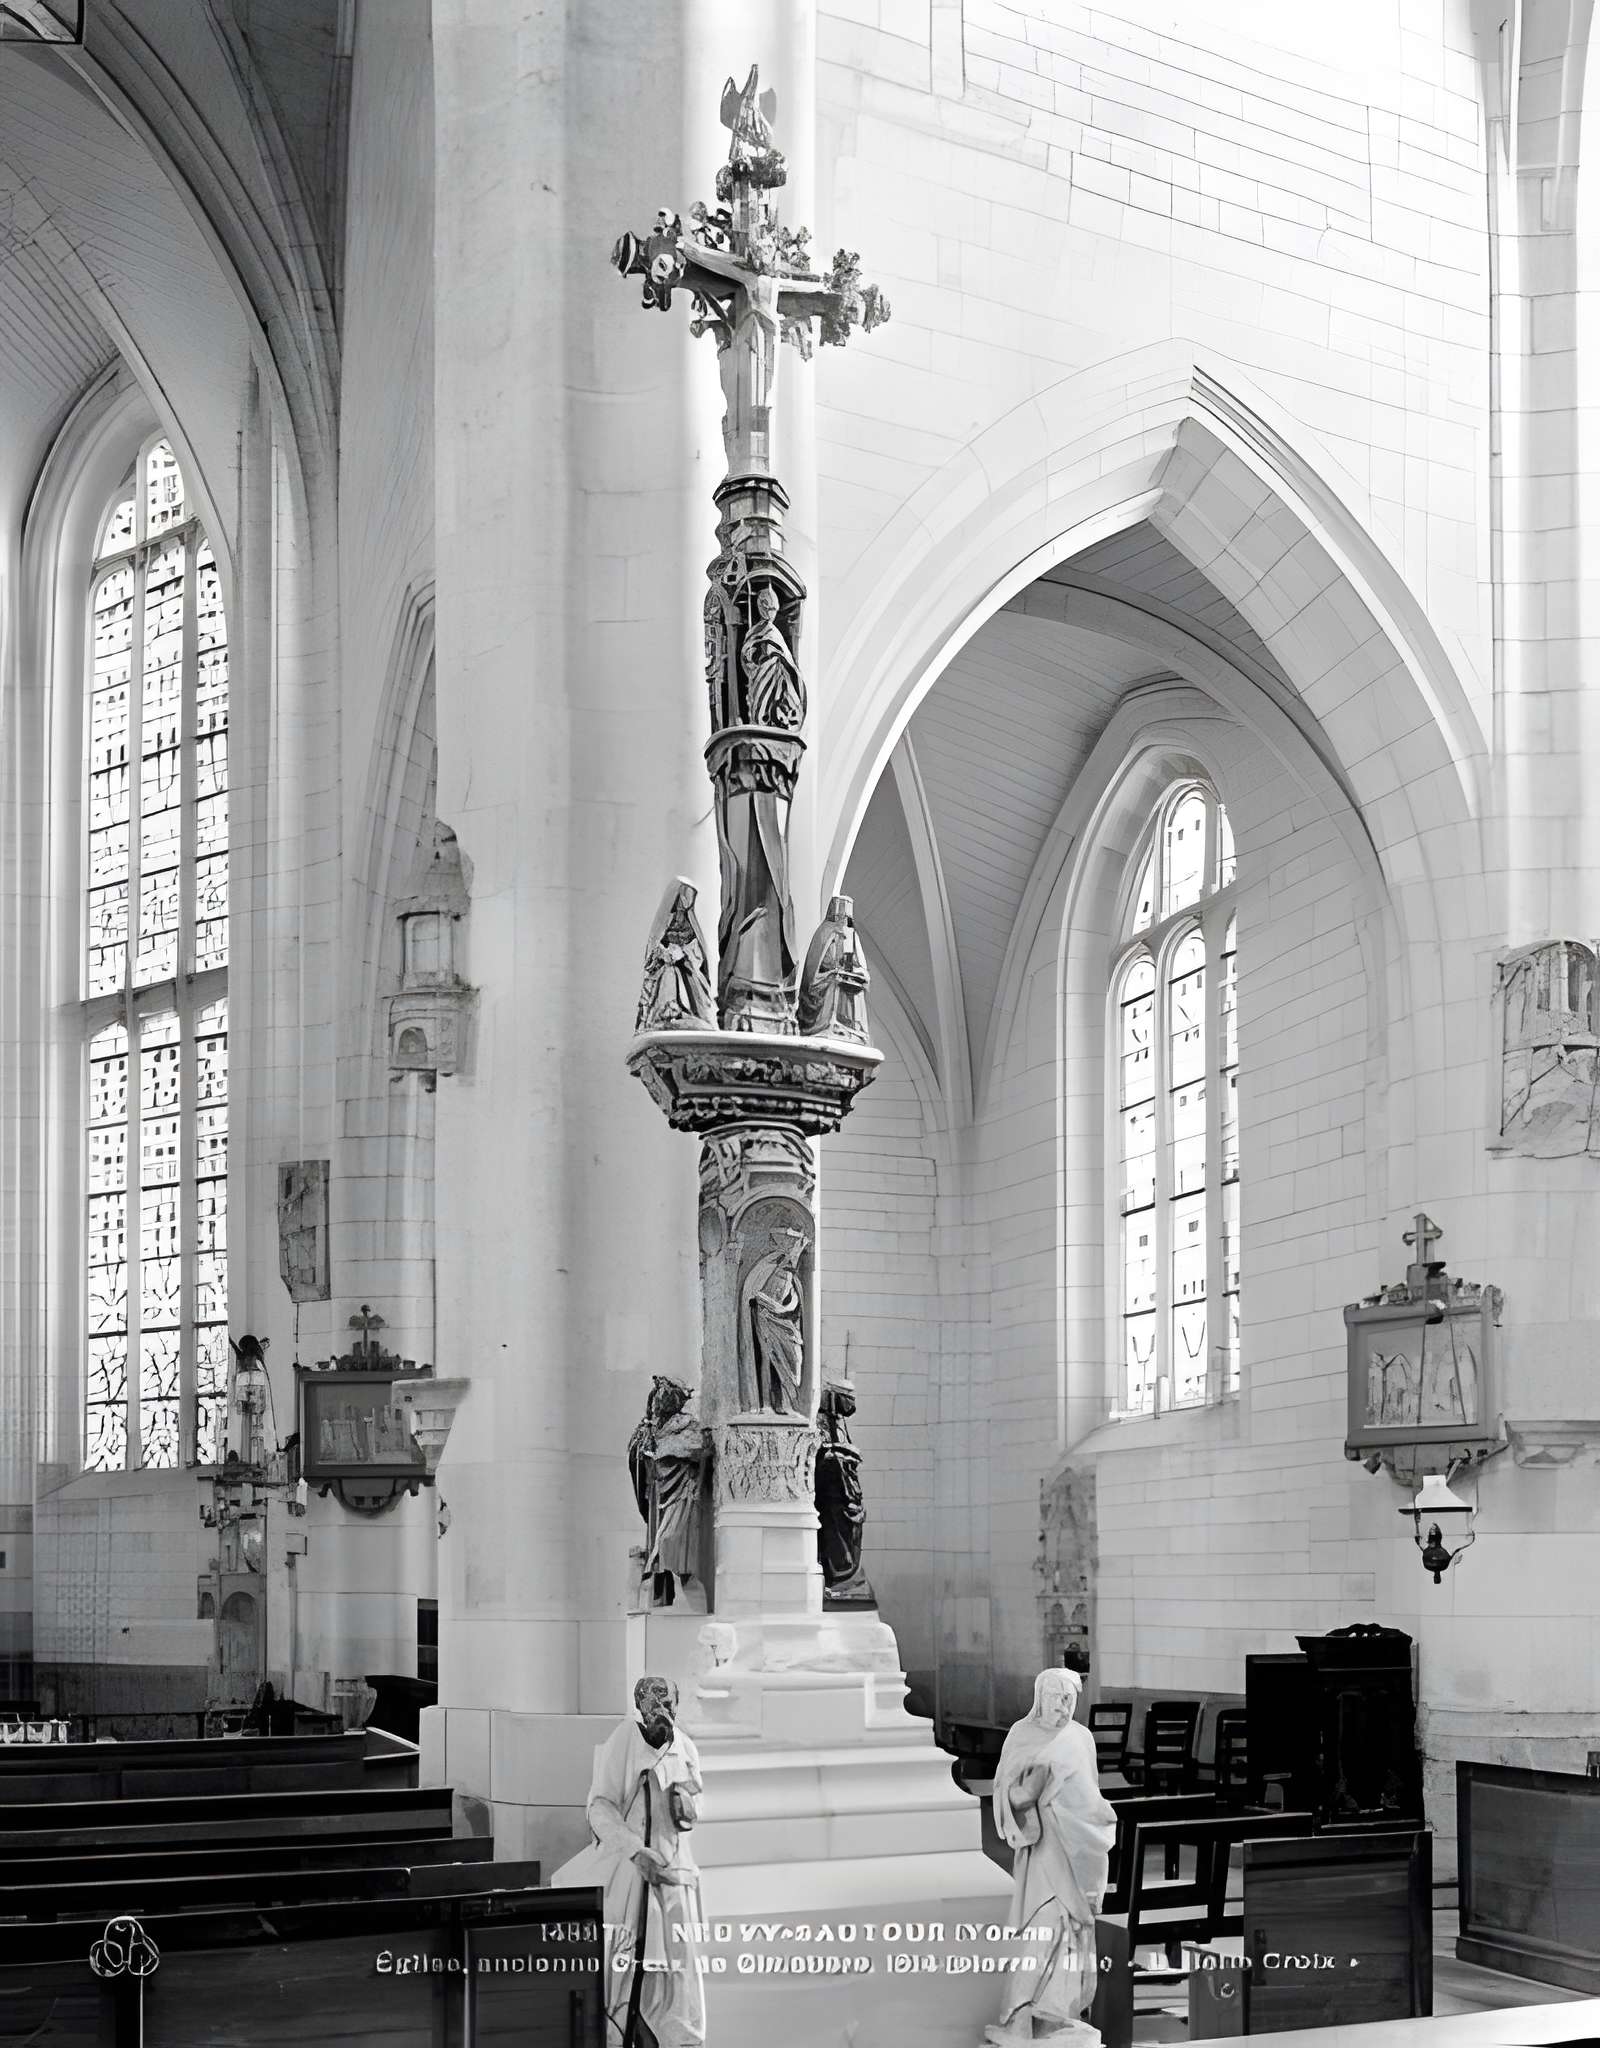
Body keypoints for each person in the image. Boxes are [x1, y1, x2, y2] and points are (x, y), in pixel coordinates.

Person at [553, 1676, 705, 2047]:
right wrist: (635, 1849)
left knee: (680, 1987)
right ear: (640, 1706)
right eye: (655, 1704)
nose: (663, 1711)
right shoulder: (625, 1740)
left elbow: (695, 1803)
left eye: (668, 1704)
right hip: (633, 1878)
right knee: (629, 1980)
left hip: (675, 1879)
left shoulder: (685, 1746)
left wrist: (688, 1805)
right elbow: (600, 1807)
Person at [987, 1667, 1118, 2044]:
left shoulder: (1080, 1737)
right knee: (1042, 1925)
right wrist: (1024, 1793)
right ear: (1038, 1697)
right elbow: (1006, 1794)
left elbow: (1089, 1795)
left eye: (1069, 1698)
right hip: (1044, 1848)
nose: (1062, 1705)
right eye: (1055, 1696)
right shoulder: (1022, 1735)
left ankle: (1058, 2015)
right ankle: (1019, 2013)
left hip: (1079, 1847)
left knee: (1074, 1930)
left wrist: (1095, 1822)